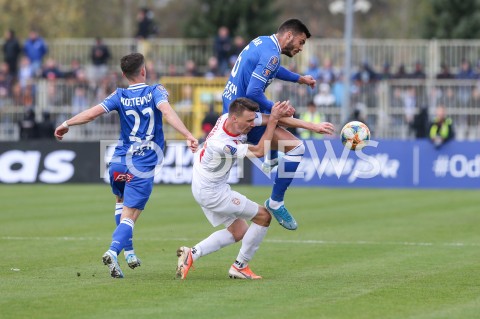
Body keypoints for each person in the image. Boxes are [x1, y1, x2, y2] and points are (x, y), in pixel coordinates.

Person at [54, 53, 198, 278]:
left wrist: (66, 123)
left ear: (123, 75)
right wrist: (188, 134)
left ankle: (129, 252)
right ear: (144, 71)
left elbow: (92, 113)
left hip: (119, 162)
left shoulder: (118, 95)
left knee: (120, 203)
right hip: (143, 164)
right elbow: (167, 112)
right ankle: (113, 251)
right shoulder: (155, 91)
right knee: (131, 215)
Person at [176, 97, 334, 280]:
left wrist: (312, 126)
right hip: (213, 192)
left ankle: (191, 254)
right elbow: (259, 151)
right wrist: (273, 120)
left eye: (253, 120)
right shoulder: (223, 145)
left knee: (239, 232)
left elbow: (269, 118)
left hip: (202, 183)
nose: (252, 125)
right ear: (235, 119)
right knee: (263, 216)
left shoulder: (231, 117)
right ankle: (240, 266)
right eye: (249, 121)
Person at [221, 18, 330, 230]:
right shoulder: (271, 54)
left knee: (280, 125)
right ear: (288, 36)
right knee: (297, 147)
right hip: (244, 119)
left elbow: (273, 69)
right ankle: (276, 201)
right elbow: (254, 91)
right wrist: (275, 108)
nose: (300, 48)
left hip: (234, 109)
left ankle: (271, 158)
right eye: (300, 42)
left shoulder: (263, 43)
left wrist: (299, 79)